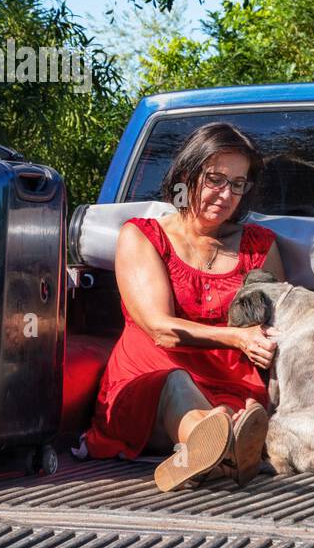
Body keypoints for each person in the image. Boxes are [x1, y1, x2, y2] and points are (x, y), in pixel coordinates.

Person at [78, 122, 286, 491]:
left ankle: (212, 453)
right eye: (215, 179)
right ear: (187, 175)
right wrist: (238, 338)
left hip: (232, 391)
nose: (226, 194)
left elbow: (277, 321)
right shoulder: (142, 235)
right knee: (178, 386)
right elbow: (161, 328)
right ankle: (220, 448)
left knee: (234, 413)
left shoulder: (260, 247)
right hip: (150, 386)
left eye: (238, 184)